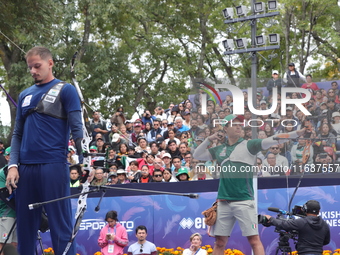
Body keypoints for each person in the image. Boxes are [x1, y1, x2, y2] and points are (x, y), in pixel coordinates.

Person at [6, 46, 83, 255]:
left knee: (61, 227)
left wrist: (83, 158)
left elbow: (77, 127)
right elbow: (17, 134)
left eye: (37, 66)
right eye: (30, 67)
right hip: (25, 170)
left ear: (50, 63)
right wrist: (13, 165)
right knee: (26, 229)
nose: (32, 71)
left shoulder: (66, 89)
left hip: (53, 166)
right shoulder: (24, 95)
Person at [193, 114, 305, 255]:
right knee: (219, 242)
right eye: (235, 124)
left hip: (244, 200)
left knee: (254, 240)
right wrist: (209, 139)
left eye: (240, 124)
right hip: (223, 201)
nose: (239, 127)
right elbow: (197, 155)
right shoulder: (219, 149)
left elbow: (272, 140)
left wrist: (295, 133)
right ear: (226, 128)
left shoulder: (249, 145)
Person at [264, 200, 330, 255]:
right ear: (319, 211)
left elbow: (284, 224)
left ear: (304, 210)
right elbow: (326, 241)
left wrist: (271, 219)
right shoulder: (325, 224)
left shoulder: (302, 222)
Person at [0, 147, 17, 251]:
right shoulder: (2, 172)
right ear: (7, 157)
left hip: (18, 213)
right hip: (6, 213)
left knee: (13, 245)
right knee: (3, 243)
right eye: (13, 155)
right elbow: (3, 194)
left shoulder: (21, 169)